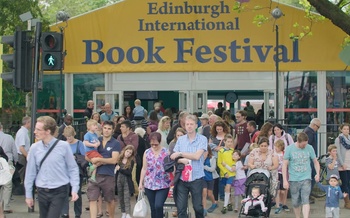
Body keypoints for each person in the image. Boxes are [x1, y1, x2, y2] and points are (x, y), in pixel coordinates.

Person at [24, 116, 80, 218]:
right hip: (42, 190)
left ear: (48, 131)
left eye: (38, 129)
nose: (34, 132)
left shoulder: (63, 146)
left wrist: (75, 188)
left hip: (59, 190)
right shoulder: (34, 148)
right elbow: (30, 173)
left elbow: (73, 168)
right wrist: (28, 195)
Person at [170, 115, 207, 218]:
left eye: (191, 124)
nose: (189, 126)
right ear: (184, 126)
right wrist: (181, 159)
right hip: (182, 178)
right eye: (187, 124)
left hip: (196, 178)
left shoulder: (202, 139)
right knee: (181, 209)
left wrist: (180, 153)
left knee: (197, 207)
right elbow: (173, 157)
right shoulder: (181, 140)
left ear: (196, 125)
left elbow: (196, 156)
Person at [86, 120, 120, 218]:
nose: (106, 130)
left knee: (109, 200)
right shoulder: (96, 140)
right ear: (102, 129)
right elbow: (86, 156)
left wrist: (99, 159)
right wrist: (92, 160)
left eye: (109, 129)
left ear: (112, 130)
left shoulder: (115, 143)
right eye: (105, 128)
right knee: (92, 199)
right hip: (94, 175)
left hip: (108, 175)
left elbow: (114, 160)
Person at [282, 132, 320, 218]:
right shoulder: (289, 149)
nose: (304, 146)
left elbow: (315, 161)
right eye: (303, 145)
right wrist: (285, 180)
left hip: (306, 177)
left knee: (305, 199)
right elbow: (284, 165)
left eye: (306, 144)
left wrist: (317, 173)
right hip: (294, 178)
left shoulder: (309, 148)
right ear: (298, 141)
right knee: (295, 201)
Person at [139, 132, 171, 218]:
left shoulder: (166, 152)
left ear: (160, 142)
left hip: (163, 183)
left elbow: (170, 167)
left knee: (158, 205)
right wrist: (141, 182)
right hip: (149, 183)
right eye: (152, 144)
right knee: (153, 208)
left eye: (156, 144)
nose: (154, 146)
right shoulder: (147, 152)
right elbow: (144, 168)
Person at [61, 126, 86, 218]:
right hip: (64, 172)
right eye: (67, 137)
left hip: (76, 171)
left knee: (77, 192)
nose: (69, 138)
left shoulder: (79, 143)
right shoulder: (63, 144)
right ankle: (64, 213)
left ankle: (77, 213)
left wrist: (75, 157)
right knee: (64, 192)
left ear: (74, 134)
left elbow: (84, 157)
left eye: (70, 136)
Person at [0, 123, 17, 214]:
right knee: (7, 185)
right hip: (7, 162)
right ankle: (5, 206)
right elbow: (14, 151)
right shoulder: (9, 138)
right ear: (1, 128)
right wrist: (15, 161)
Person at [115, 145, 135, 218]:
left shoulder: (131, 161)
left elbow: (128, 172)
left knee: (126, 197)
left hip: (127, 180)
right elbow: (115, 169)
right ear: (124, 151)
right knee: (120, 197)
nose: (128, 154)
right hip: (119, 179)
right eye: (127, 151)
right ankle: (123, 212)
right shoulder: (119, 159)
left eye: (130, 153)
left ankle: (128, 213)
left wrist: (120, 169)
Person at [217, 134, 235, 214]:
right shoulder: (221, 151)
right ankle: (230, 203)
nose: (230, 143)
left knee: (228, 187)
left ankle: (225, 206)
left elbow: (234, 160)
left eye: (231, 142)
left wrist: (233, 167)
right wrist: (225, 172)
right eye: (228, 141)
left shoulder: (232, 151)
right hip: (224, 173)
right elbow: (219, 163)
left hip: (231, 173)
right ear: (224, 141)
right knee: (227, 189)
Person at [334, 123, 350, 209]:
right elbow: (338, 152)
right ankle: (347, 202)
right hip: (343, 164)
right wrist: (342, 163)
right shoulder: (339, 139)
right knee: (345, 183)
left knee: (349, 183)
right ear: (341, 130)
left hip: (349, 162)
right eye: (344, 129)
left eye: (347, 129)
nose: (346, 131)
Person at [274, 139, 289, 214]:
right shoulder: (274, 154)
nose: (276, 148)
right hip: (276, 173)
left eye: (277, 146)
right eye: (275, 146)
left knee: (283, 190)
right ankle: (278, 204)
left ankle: (284, 203)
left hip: (283, 173)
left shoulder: (284, 153)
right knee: (277, 190)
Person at [203, 145, 219, 215]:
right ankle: (204, 209)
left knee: (209, 194)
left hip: (210, 178)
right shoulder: (200, 158)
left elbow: (212, 169)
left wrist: (204, 167)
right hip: (203, 178)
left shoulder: (212, 158)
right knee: (204, 193)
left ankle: (214, 203)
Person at [15, 116, 31, 184]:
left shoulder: (24, 132)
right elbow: (21, 148)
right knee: (21, 173)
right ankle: (19, 188)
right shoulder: (22, 132)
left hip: (23, 155)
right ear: (27, 123)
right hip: (22, 156)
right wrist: (28, 156)